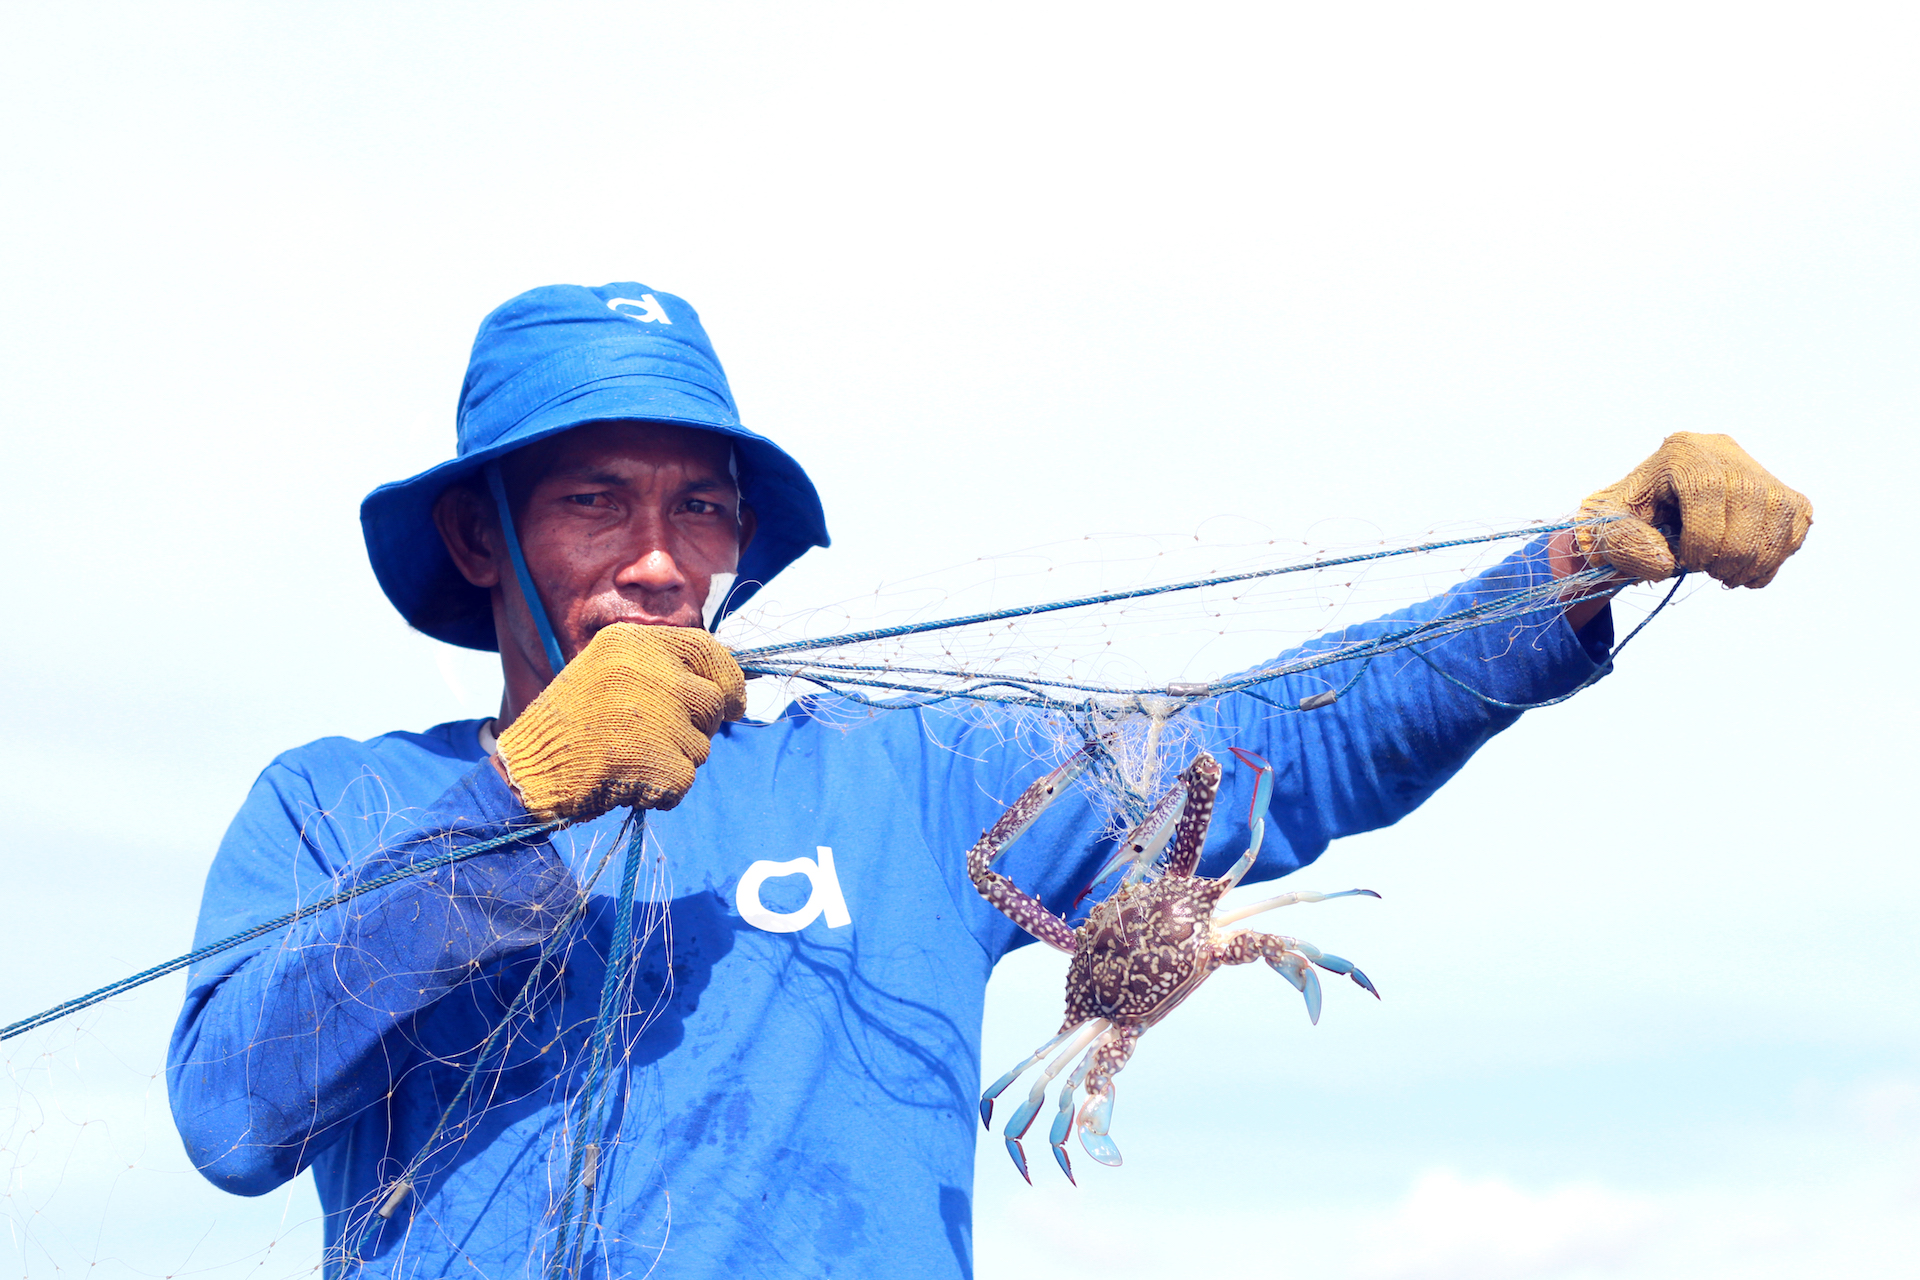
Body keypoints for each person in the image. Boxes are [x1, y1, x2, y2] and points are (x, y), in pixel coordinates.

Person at [166, 282, 1811, 1279]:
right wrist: (516, 802)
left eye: (705, 507)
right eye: (595, 500)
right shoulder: (341, 809)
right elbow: (230, 1111)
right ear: (479, 537)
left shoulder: (904, 785)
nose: (661, 562)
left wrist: (1568, 578)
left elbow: (1277, 747)